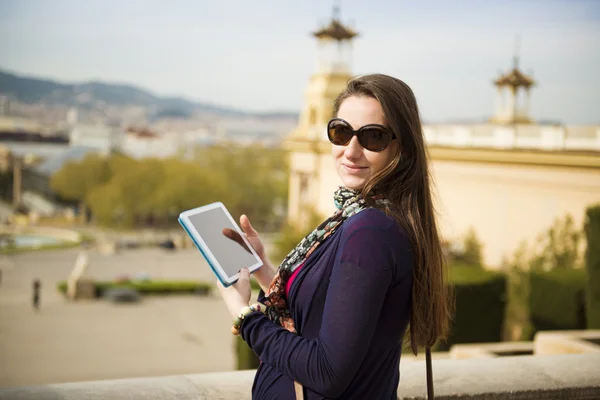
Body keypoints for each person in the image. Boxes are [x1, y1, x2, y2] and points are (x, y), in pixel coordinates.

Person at [218, 74, 452, 399]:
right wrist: (263, 269)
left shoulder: (370, 230)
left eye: (373, 137)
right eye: (341, 132)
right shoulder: (363, 216)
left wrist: (243, 315)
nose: (350, 151)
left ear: (403, 148)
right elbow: (321, 314)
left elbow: (325, 372)